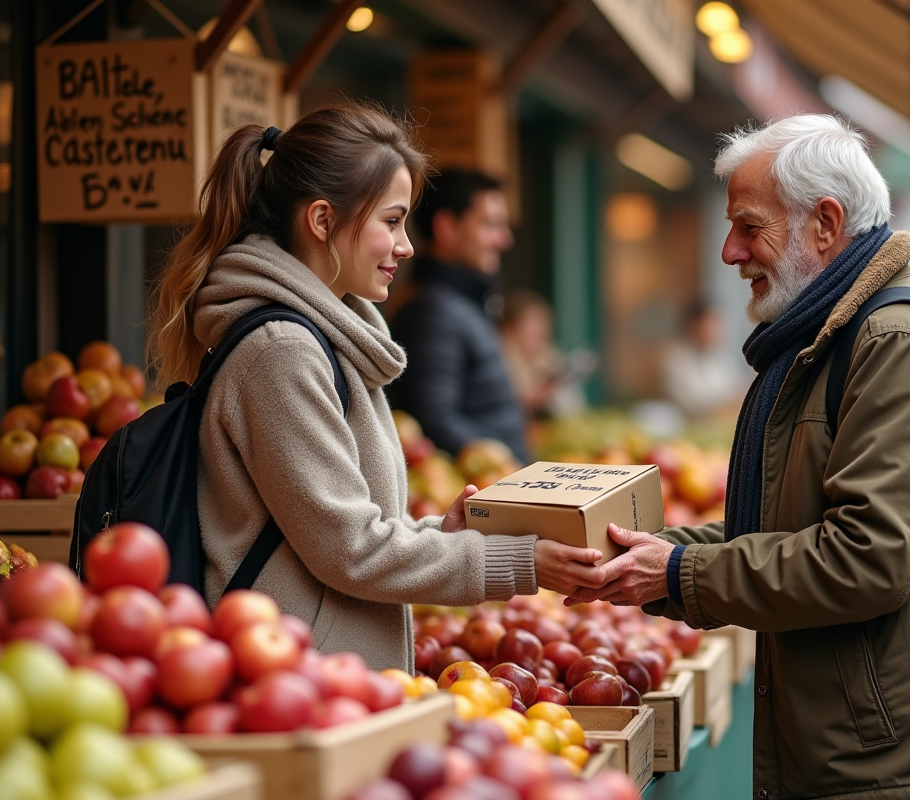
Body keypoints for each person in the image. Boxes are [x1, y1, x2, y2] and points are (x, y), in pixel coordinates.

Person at [566, 115, 910, 800]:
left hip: (898, 769)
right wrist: (652, 555)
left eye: (749, 227)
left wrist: (682, 571)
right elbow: (786, 526)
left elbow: (869, 559)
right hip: (859, 752)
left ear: (826, 224)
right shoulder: (827, 341)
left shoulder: (895, 344)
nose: (728, 252)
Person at [146, 102, 602, 671]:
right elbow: (350, 550)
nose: (405, 245)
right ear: (321, 221)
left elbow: (333, 530)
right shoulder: (284, 353)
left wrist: (440, 532)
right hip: (296, 680)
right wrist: (519, 562)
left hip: (323, 673)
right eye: (391, 221)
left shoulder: (325, 340)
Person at [386, 169, 528, 462]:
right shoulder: (431, 310)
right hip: (481, 494)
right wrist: (507, 469)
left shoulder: (459, 302)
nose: (505, 240)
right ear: (447, 228)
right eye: (490, 225)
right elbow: (432, 420)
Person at [498, 289, 587, 419]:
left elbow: (573, 406)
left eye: (543, 324)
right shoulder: (500, 356)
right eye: (533, 325)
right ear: (510, 328)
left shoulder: (548, 355)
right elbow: (505, 402)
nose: (541, 332)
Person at [660, 299, 747, 419]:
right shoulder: (675, 357)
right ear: (693, 324)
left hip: (721, 423)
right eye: (711, 322)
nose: (717, 329)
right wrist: (728, 402)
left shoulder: (719, 355)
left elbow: (737, 389)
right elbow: (692, 404)